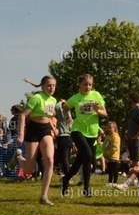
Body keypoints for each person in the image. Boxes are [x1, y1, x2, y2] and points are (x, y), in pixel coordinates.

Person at [61, 73, 107, 198]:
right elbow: (65, 108)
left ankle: (66, 179)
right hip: (78, 130)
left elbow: (105, 113)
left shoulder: (96, 95)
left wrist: (97, 110)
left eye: (90, 84)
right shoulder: (75, 98)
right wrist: (68, 118)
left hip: (92, 133)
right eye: (85, 84)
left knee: (79, 161)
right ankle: (86, 188)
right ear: (79, 85)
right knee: (88, 155)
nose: (88, 87)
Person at [17, 75, 58, 205]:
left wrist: (54, 128)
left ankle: (44, 196)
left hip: (46, 130)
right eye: (49, 85)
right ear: (43, 86)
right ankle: (19, 159)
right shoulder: (36, 98)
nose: (51, 88)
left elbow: (48, 117)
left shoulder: (53, 100)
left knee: (50, 160)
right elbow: (23, 115)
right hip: (33, 130)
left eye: (53, 85)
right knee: (29, 170)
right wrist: (21, 134)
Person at [125, 91, 139, 170]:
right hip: (131, 138)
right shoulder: (132, 110)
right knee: (133, 160)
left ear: (132, 99)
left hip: (137, 139)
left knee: (137, 161)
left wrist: (137, 136)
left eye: (128, 98)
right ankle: (135, 176)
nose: (127, 99)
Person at [54, 102, 73, 179]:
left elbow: (57, 107)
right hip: (69, 137)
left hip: (63, 137)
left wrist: (61, 102)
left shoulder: (62, 115)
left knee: (64, 158)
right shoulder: (69, 116)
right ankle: (68, 175)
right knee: (67, 158)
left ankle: (68, 176)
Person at [103, 121, 121, 186]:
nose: (109, 129)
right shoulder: (108, 137)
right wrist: (105, 153)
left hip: (114, 156)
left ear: (115, 128)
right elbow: (104, 145)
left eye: (110, 128)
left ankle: (115, 182)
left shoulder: (116, 137)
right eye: (108, 128)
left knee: (114, 169)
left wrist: (109, 154)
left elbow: (114, 147)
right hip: (108, 156)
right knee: (109, 169)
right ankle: (110, 182)